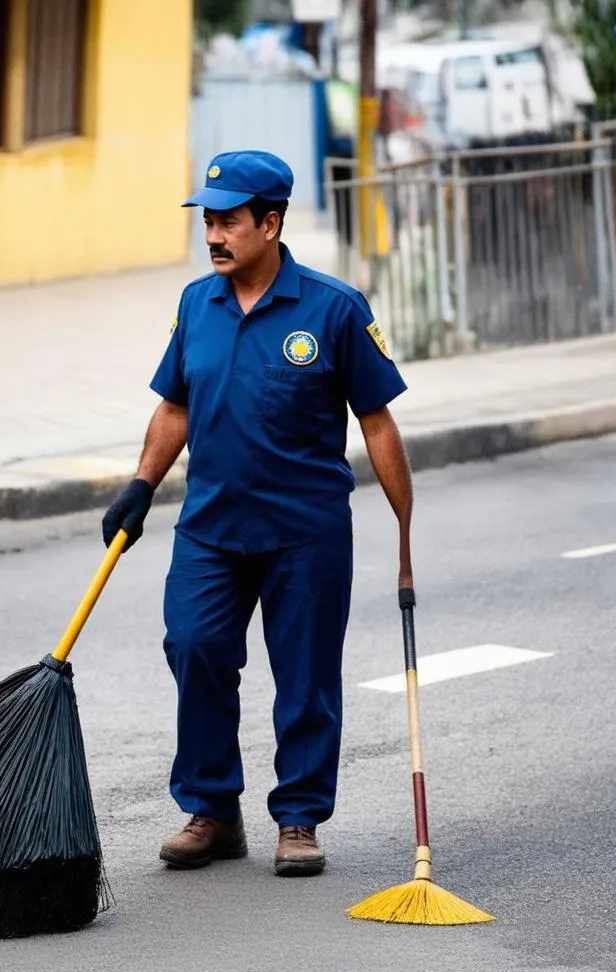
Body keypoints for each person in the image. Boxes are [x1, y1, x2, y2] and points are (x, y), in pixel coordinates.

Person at [101, 150, 414, 877]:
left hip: (305, 533)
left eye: (228, 221)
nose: (213, 235)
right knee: (194, 647)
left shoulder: (334, 309)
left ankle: (299, 817)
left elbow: (377, 423)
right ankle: (213, 810)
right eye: (207, 221)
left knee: (305, 676)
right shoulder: (195, 305)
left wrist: (403, 523)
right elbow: (175, 405)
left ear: (270, 224)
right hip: (210, 527)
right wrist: (141, 485)